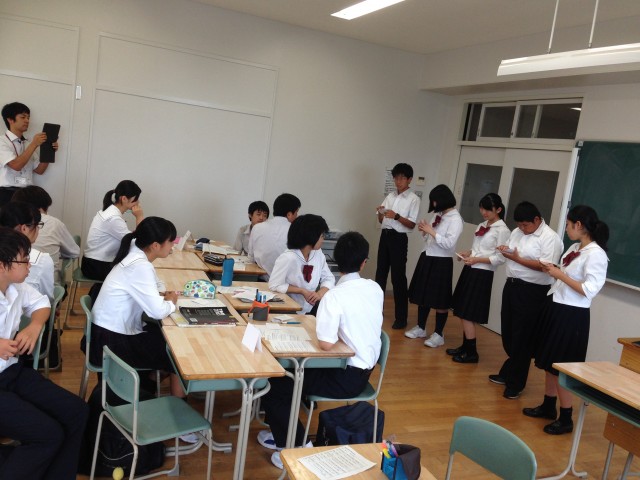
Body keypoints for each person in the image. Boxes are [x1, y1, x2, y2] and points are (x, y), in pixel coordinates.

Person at [258, 231, 383, 469]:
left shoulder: (334, 296)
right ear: (364, 262)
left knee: (276, 383)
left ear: (335, 260)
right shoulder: (375, 288)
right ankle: (282, 432)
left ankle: (298, 448)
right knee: (290, 376)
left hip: (346, 376)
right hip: (363, 371)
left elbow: (325, 344)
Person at [0, 227, 88, 479]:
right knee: (48, 434)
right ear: (3, 265)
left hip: (11, 372)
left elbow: (42, 304)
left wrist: (35, 325)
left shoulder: (16, 288)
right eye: (24, 261)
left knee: (77, 411)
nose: (29, 265)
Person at [523, 205, 608, 435]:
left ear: (579, 225)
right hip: (557, 307)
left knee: (563, 366)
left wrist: (559, 274)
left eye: (569, 225)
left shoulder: (596, 254)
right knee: (550, 362)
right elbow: (567, 275)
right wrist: (554, 269)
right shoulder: (575, 247)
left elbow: (589, 290)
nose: (567, 229)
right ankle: (548, 405)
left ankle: (566, 417)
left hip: (572, 315)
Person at [90, 216, 184, 398]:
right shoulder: (140, 265)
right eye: (170, 242)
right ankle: (179, 404)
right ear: (155, 245)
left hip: (106, 332)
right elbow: (157, 311)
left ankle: (149, 382)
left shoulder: (134, 252)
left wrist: (160, 296)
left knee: (163, 338)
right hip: (111, 342)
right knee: (175, 350)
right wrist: (171, 301)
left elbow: (148, 286)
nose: (172, 246)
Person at [490, 201, 563, 399]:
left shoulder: (550, 238)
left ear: (537, 220)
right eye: (519, 225)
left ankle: (515, 383)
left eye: (525, 225)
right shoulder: (517, 232)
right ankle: (509, 370)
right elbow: (512, 252)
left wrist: (517, 259)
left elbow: (545, 267)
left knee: (523, 337)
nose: (522, 228)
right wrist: (505, 250)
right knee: (509, 332)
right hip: (512, 285)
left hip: (533, 291)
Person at [448, 193, 510, 363]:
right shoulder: (482, 225)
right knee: (462, 310)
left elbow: (500, 258)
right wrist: (467, 253)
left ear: (498, 209)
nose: (484, 212)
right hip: (471, 268)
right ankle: (465, 346)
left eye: (488, 209)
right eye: (482, 208)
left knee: (468, 313)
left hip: (482, 273)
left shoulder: (503, 230)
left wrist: (477, 260)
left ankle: (472, 352)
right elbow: (478, 249)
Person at [406, 184, 463, 348]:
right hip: (427, 256)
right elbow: (430, 239)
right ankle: (421, 327)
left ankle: (438, 334)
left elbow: (449, 244)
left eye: (435, 201)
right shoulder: (438, 215)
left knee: (440, 300)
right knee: (423, 295)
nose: (434, 204)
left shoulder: (455, 219)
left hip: (441, 261)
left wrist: (431, 232)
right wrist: (425, 232)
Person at [375, 163, 420, 330]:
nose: (398, 181)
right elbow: (381, 220)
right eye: (396, 178)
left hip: (399, 239)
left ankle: (401, 318)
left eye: (402, 178)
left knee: (398, 278)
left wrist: (396, 216)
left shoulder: (413, 199)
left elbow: (412, 224)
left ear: (409, 179)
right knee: (380, 274)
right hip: (385, 236)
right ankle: (375, 311)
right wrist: (381, 213)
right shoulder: (390, 196)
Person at [12, 185, 79, 285]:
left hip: (12, 284)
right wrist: (55, 251)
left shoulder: (10, 221)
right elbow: (74, 252)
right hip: (47, 286)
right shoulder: (54, 223)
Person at [269, 214, 335, 314]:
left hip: (309, 309)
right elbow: (274, 285)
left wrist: (319, 294)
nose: (323, 240)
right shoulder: (288, 257)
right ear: (311, 236)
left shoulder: (318, 253)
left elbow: (329, 278)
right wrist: (301, 291)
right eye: (321, 236)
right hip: (288, 309)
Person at [82, 180, 144, 282]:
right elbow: (138, 243)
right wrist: (139, 217)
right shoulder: (113, 218)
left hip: (92, 263)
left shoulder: (108, 211)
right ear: (124, 199)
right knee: (134, 273)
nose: (138, 203)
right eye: (135, 199)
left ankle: (98, 290)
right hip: (96, 266)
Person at [0, 102, 58, 206]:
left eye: (28, 117)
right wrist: (34, 144)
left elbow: (40, 170)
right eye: (23, 117)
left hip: (27, 195)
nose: (27, 120)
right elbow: (16, 165)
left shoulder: (27, 144)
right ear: (10, 120)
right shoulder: (2, 141)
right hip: (6, 194)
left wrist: (49, 150)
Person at [0, 201, 54, 300]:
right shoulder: (42, 259)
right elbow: (48, 298)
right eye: (37, 225)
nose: (29, 265)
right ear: (24, 228)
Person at [248, 193, 300, 277]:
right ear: (289, 214)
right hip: (287, 281)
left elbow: (251, 258)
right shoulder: (296, 230)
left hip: (261, 279)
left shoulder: (257, 228)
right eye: (296, 212)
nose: (297, 216)